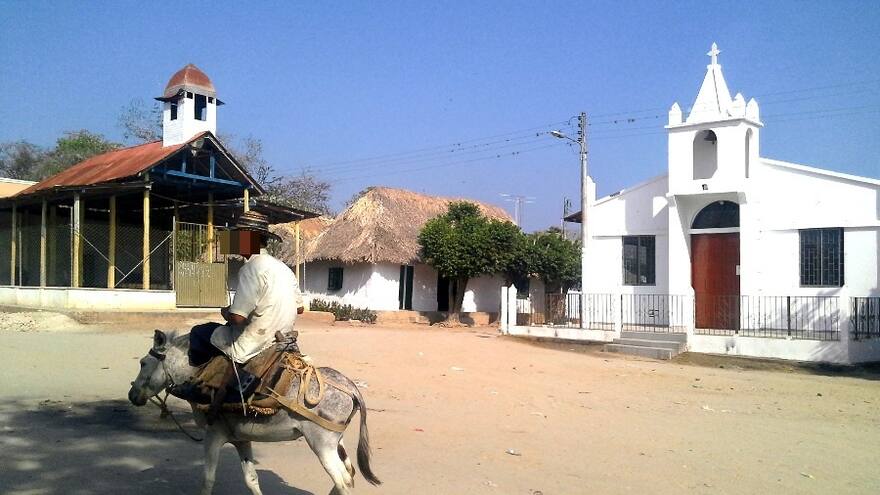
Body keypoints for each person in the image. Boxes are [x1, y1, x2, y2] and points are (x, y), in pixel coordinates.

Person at [184, 210, 304, 419]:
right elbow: (300, 308)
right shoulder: (283, 268)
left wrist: (225, 312)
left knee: (200, 332)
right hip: (283, 336)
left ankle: (200, 389)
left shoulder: (250, 269)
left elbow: (238, 318)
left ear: (247, 239)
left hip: (257, 338)